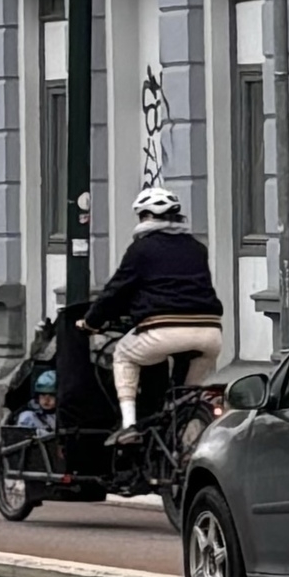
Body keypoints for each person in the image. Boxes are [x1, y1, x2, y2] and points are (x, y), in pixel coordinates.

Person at [83, 187, 224, 441]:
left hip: (163, 331)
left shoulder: (141, 250)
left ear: (146, 217)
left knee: (123, 355)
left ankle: (129, 426)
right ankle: (185, 443)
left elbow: (116, 290)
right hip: (210, 333)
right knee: (185, 395)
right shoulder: (196, 248)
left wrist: (92, 322)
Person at [13, 367, 59, 437]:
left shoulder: (65, 415)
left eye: (51, 395)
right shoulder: (29, 416)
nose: (46, 400)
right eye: (43, 395)